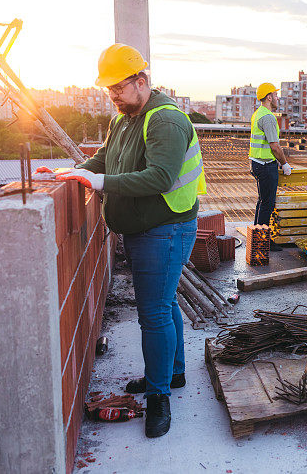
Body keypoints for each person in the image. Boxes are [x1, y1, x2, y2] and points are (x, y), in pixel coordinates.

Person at [53, 43, 205, 438]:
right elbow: (105, 157)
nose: (114, 96)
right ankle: (173, 374)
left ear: (142, 81)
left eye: (119, 88)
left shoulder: (165, 120)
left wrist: (99, 183)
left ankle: (158, 397)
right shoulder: (124, 118)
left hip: (165, 230)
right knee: (165, 303)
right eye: (109, 90)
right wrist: (77, 172)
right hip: (145, 229)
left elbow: (161, 178)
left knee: (153, 314)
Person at [249, 82, 291, 251]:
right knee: (267, 204)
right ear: (269, 97)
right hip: (266, 165)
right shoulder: (267, 117)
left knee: (262, 202)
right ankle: (263, 241)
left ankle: (257, 236)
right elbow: (275, 146)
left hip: (258, 163)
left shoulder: (258, 114)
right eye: (275, 94)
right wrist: (284, 163)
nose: (277, 97)